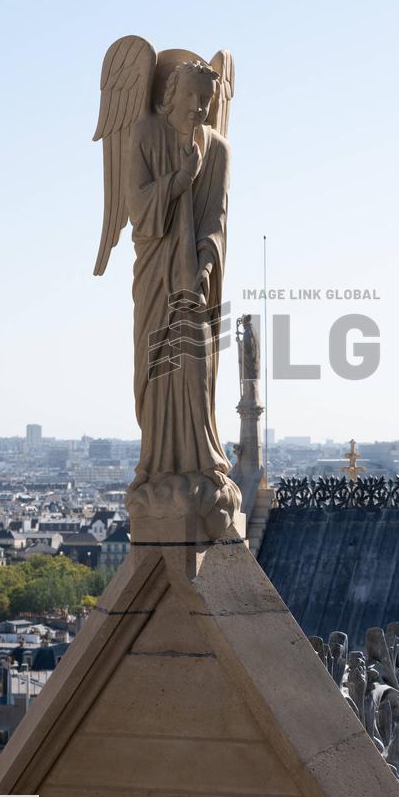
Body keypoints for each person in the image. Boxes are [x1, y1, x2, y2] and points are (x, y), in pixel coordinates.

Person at [126, 60, 232, 488]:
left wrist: (204, 268)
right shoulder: (145, 135)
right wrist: (180, 179)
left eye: (206, 99)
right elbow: (138, 209)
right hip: (156, 273)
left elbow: (215, 222)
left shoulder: (218, 149)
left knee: (195, 359)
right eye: (190, 95)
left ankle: (201, 457)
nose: (198, 106)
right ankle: (157, 464)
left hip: (194, 276)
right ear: (171, 95)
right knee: (158, 363)